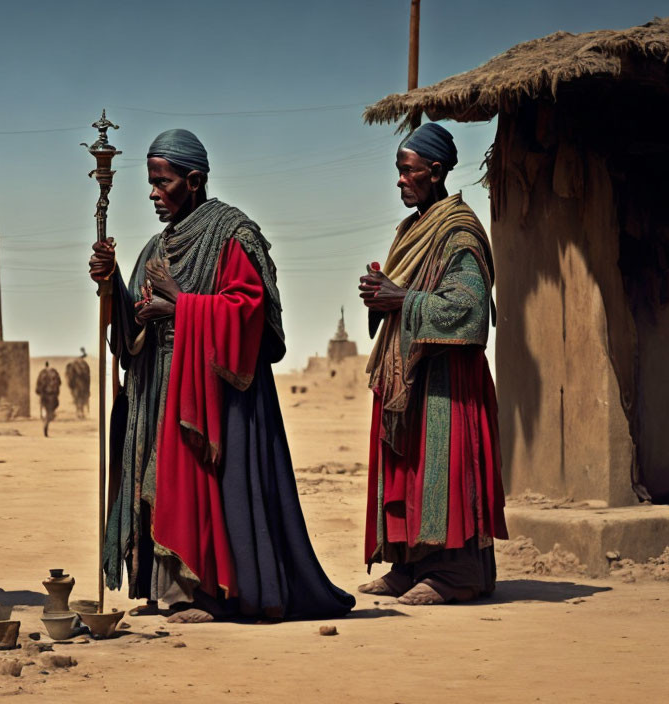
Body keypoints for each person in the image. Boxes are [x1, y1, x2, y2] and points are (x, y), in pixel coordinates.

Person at [89, 129, 354, 623]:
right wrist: (113, 284)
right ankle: (171, 589)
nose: (151, 193)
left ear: (193, 180)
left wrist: (183, 305)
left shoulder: (234, 233)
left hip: (215, 394)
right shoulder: (155, 247)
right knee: (158, 484)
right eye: (148, 183)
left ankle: (210, 593)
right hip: (158, 387)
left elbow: (251, 312)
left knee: (203, 488)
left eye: (161, 182)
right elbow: (130, 333)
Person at [357, 122, 508, 605]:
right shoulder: (414, 228)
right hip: (410, 372)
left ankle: (455, 572)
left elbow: (469, 309)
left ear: (436, 172)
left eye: (408, 171)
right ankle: (409, 565)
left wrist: (402, 298)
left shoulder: (459, 231)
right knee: (410, 469)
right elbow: (405, 294)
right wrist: (382, 298)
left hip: (447, 377)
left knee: (442, 468)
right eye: (399, 172)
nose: (400, 180)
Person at [35, 361, 61, 436]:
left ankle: (45, 422)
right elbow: (59, 382)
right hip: (52, 395)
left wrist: (39, 392)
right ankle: (46, 423)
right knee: (50, 411)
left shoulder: (42, 373)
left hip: (44, 395)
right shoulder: (54, 373)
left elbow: (38, 384)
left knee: (44, 409)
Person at [64, 348, 90, 419]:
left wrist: (71, 385)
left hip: (76, 385)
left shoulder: (73, 364)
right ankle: (81, 413)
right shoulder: (84, 364)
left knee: (77, 399)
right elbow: (87, 377)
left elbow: (70, 376)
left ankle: (79, 413)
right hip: (83, 385)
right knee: (81, 398)